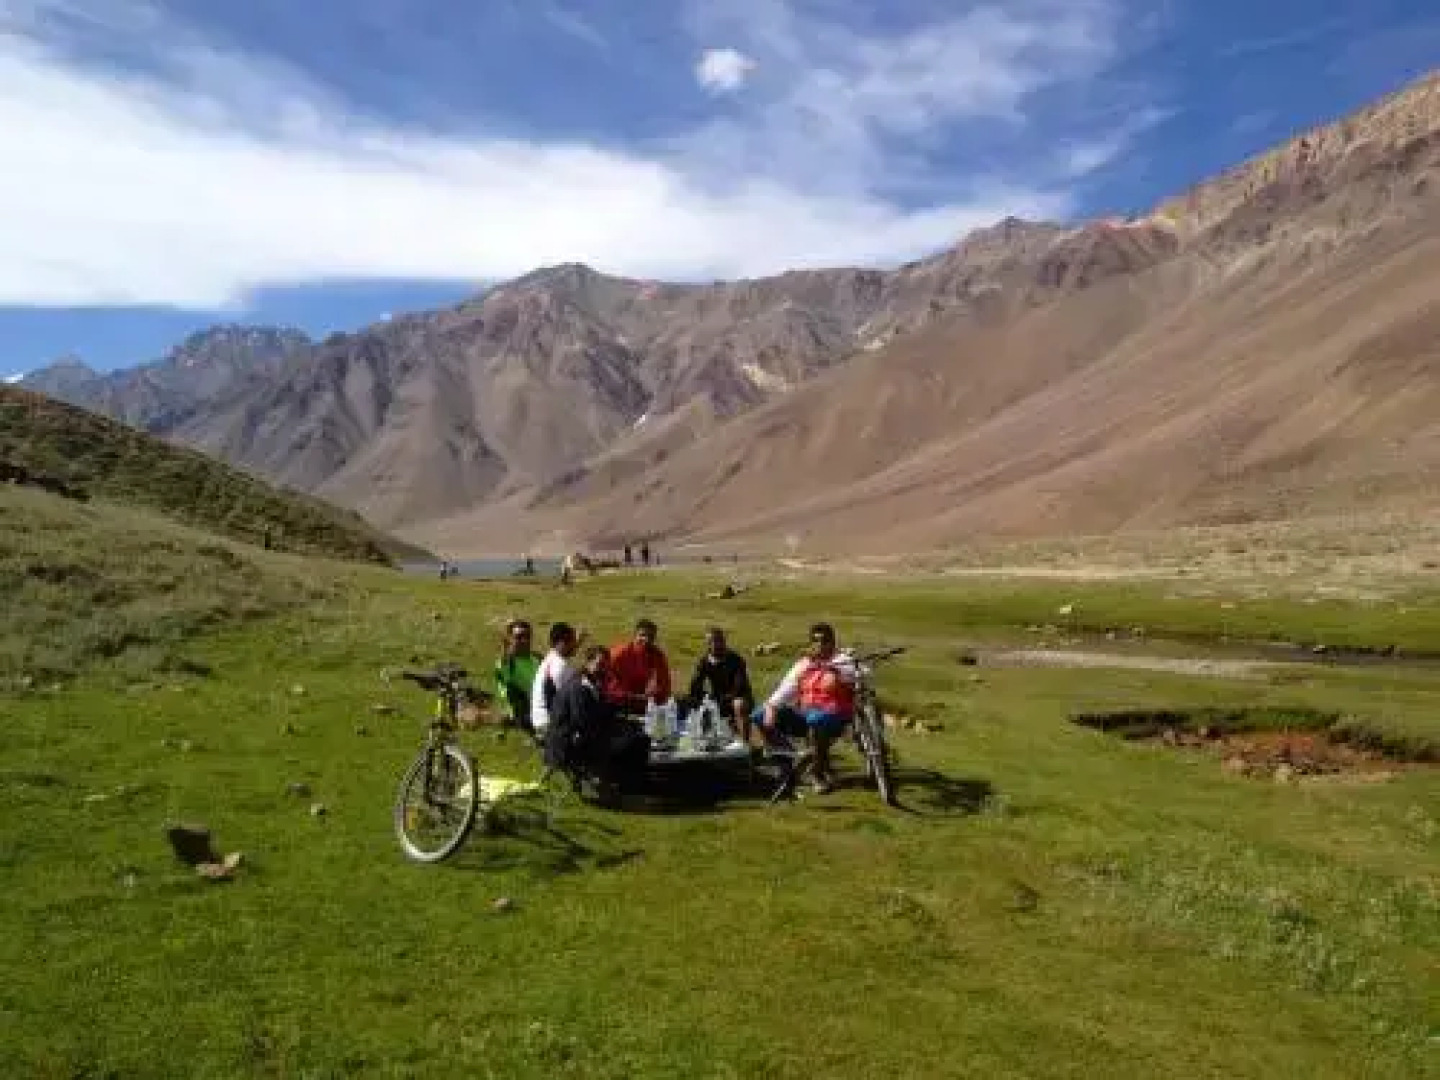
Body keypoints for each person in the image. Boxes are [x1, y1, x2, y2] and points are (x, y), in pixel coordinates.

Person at [751, 622, 856, 794]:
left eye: (825, 641)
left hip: (833, 715)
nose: (820, 645)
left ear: (833, 642)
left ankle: (817, 774)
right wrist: (771, 706)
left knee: (816, 720)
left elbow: (863, 675)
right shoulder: (803, 664)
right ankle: (789, 762)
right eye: (816, 641)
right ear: (810, 643)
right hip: (805, 713)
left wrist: (840, 673)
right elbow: (786, 688)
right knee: (759, 715)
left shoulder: (843, 661)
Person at [546, 646, 650, 807]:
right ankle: (618, 787)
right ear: (588, 663)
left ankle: (622, 785)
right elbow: (582, 721)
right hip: (567, 744)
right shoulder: (579, 686)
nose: (603, 669)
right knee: (630, 742)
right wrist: (613, 731)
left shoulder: (591, 683)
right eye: (600, 664)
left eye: (606, 665)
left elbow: (600, 709)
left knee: (634, 734)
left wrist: (624, 716)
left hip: (579, 736)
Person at [686, 627, 754, 742]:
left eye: (720, 640)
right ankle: (700, 739)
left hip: (740, 697)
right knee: (689, 701)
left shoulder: (736, 660)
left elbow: (739, 687)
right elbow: (695, 685)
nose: (718, 644)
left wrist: (720, 699)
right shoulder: (704, 661)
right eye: (713, 641)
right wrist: (702, 697)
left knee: (738, 704)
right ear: (708, 644)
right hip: (718, 697)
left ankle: (745, 745)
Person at [605, 618, 672, 714]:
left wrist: (655, 698)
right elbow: (607, 685)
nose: (646, 639)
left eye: (651, 636)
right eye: (642, 635)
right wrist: (632, 697)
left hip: (643, 704)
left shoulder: (658, 656)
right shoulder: (618, 654)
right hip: (617, 703)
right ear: (634, 635)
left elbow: (665, 686)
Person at [531, 621, 585, 738]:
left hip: (541, 720)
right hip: (549, 724)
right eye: (572, 641)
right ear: (561, 643)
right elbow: (569, 701)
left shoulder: (552, 657)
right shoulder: (559, 667)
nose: (574, 644)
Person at [493, 619, 540, 733]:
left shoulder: (536, 658)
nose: (524, 640)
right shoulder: (507, 663)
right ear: (510, 639)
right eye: (519, 637)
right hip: (524, 713)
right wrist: (505, 647)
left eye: (527, 636)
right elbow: (504, 667)